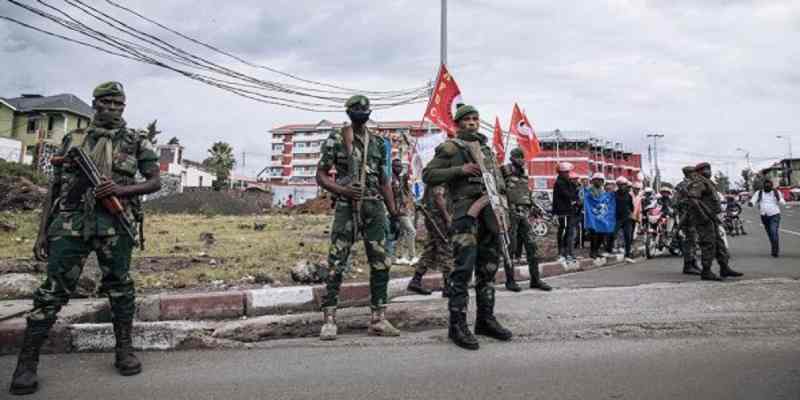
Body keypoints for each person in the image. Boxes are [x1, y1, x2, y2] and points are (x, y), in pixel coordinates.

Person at [10, 82, 162, 395]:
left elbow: (155, 182)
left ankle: (124, 351)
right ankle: (26, 364)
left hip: (115, 225)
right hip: (70, 224)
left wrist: (121, 190)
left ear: (124, 106)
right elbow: (55, 188)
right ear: (95, 104)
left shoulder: (136, 141)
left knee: (120, 288)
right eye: (104, 104)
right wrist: (42, 233)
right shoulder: (73, 139)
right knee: (51, 292)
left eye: (117, 104)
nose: (110, 109)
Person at [423, 104, 513, 350]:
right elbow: (429, 175)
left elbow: (496, 182)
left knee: (488, 269)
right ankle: (457, 325)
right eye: (467, 119)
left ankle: (485, 319)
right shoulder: (451, 147)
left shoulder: (486, 150)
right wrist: (460, 170)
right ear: (458, 123)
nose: (473, 123)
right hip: (466, 215)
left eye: (476, 118)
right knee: (462, 270)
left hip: (490, 214)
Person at [315, 95, 401, 340]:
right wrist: (343, 190)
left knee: (381, 262)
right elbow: (321, 175)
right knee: (336, 262)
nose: (361, 112)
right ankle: (330, 318)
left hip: (374, 207)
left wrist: (393, 212)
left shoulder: (377, 143)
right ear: (348, 112)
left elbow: (384, 181)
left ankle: (378, 318)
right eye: (356, 109)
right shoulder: (336, 139)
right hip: (346, 206)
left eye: (365, 109)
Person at [502, 148, 552, 292]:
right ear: (512, 158)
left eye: (523, 158)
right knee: (510, 247)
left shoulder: (524, 173)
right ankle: (510, 281)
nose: (521, 160)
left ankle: (535, 280)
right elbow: (497, 189)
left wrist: (534, 206)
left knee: (532, 246)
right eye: (518, 157)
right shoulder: (504, 170)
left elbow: (526, 193)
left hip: (524, 213)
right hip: (509, 212)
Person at [687, 162, 743, 281]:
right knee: (708, 244)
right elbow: (693, 200)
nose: (708, 171)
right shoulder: (698, 182)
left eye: (709, 168)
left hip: (711, 217)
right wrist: (704, 216)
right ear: (698, 172)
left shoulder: (708, 182)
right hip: (704, 219)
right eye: (704, 169)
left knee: (719, 243)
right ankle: (706, 271)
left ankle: (724, 268)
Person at [407, 183, 453, 296]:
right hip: (439, 219)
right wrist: (447, 218)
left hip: (433, 218)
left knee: (430, 251)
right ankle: (448, 286)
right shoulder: (440, 175)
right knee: (446, 249)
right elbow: (439, 197)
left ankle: (416, 280)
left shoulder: (433, 175)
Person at [674, 166, 702, 275]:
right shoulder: (681, 186)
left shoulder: (694, 184)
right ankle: (688, 265)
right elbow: (674, 202)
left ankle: (694, 263)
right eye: (694, 173)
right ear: (689, 173)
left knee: (694, 241)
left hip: (695, 216)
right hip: (687, 217)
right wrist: (686, 202)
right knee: (690, 241)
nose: (695, 175)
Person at [390, 159, 417, 265]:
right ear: (392, 167)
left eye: (400, 166)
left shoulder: (399, 178)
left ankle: (398, 256)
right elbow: (395, 194)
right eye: (396, 166)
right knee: (411, 231)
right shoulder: (392, 179)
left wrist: (405, 181)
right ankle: (412, 256)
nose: (399, 168)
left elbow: (406, 192)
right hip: (398, 210)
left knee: (401, 233)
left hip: (403, 209)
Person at [749, 180, 786, 257]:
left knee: (773, 232)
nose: (767, 187)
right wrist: (751, 203)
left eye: (769, 185)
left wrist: (779, 198)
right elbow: (753, 200)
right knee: (770, 234)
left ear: (771, 186)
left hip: (774, 215)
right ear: (763, 186)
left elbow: (783, 203)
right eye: (766, 185)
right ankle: (774, 247)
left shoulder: (776, 192)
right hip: (764, 216)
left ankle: (775, 251)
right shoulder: (759, 193)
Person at [583, 173, 616, 259]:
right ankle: (592, 252)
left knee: (601, 234)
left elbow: (605, 201)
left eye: (601, 180)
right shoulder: (589, 190)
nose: (599, 182)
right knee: (594, 235)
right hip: (592, 216)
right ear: (593, 181)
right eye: (597, 180)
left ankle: (597, 250)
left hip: (601, 216)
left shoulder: (603, 191)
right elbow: (587, 200)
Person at [552, 162, 579, 263]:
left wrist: (575, 195)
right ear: (560, 173)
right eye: (566, 172)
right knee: (563, 232)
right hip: (562, 212)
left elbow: (575, 194)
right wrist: (574, 197)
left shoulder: (569, 182)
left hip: (569, 211)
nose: (568, 174)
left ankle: (568, 253)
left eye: (568, 172)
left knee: (569, 233)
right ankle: (561, 253)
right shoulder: (559, 183)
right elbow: (567, 195)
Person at [607, 177, 636, 263]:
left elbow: (631, 206)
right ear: (618, 185)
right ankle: (609, 250)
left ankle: (628, 255)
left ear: (626, 185)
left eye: (623, 185)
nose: (622, 186)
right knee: (612, 234)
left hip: (627, 218)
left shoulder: (629, 195)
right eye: (620, 185)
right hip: (617, 218)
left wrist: (630, 214)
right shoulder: (614, 194)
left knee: (628, 236)